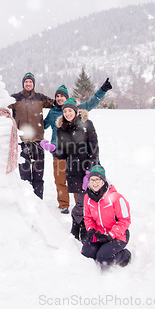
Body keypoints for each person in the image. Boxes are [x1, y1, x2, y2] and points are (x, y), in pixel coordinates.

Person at [43, 80, 112, 213]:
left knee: (79, 181)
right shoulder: (52, 114)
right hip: (59, 151)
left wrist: (102, 90)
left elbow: (92, 102)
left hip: (79, 157)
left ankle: (80, 205)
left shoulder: (80, 115)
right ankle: (64, 205)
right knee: (61, 180)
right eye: (57, 96)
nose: (59, 98)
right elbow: (42, 124)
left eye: (62, 96)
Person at [53, 98, 99, 241]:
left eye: (70, 110)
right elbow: (63, 153)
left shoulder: (87, 125)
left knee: (91, 201)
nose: (67, 113)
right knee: (81, 202)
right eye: (65, 111)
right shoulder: (62, 129)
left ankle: (86, 227)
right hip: (73, 170)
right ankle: (77, 225)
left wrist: (90, 171)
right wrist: (53, 150)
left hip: (88, 168)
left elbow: (94, 147)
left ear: (75, 111)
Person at [76, 165, 132, 269]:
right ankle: (104, 247)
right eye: (92, 180)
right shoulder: (87, 198)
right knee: (86, 253)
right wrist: (91, 230)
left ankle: (125, 256)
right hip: (99, 233)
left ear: (103, 180)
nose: (94, 183)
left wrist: (110, 235)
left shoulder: (116, 198)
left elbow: (125, 220)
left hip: (118, 235)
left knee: (103, 258)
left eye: (97, 179)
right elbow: (88, 217)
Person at [9, 72, 54, 199]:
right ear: (23, 83)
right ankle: (27, 202)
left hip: (38, 142)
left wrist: (70, 102)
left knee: (39, 176)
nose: (28, 84)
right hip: (21, 142)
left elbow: (56, 103)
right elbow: (1, 106)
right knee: (24, 176)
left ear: (33, 84)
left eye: (30, 82)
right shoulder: (15, 98)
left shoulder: (40, 97)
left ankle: (39, 202)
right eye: (26, 82)